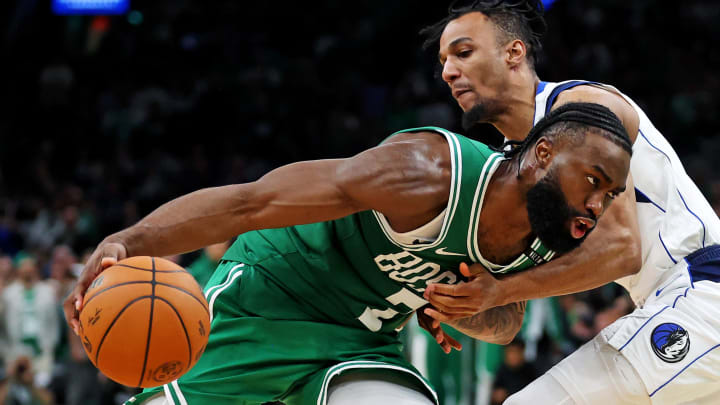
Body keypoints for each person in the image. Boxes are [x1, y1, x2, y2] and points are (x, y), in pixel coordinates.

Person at [63, 102, 632, 405]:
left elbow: (506, 324)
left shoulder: (543, 236)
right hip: (270, 303)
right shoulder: (428, 174)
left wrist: (470, 305)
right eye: (594, 180)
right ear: (542, 154)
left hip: (361, 341)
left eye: (609, 194)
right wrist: (128, 241)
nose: (599, 204)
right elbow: (250, 204)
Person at [419, 1, 720, 403]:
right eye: (443, 61)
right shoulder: (513, 172)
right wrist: (457, 306)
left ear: (514, 53)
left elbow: (620, 250)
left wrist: (498, 291)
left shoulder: (581, 106)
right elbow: (507, 323)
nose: (448, 72)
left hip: (701, 290)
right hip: (668, 306)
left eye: (463, 52)